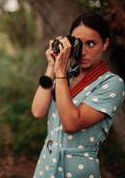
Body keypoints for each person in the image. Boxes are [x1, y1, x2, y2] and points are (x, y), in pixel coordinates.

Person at [31, 13, 125, 178]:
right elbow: (38, 111)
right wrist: (52, 66)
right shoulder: (65, 77)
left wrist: (59, 73)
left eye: (91, 44)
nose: (83, 52)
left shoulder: (112, 83)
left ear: (105, 44)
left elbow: (71, 124)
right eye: (78, 44)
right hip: (46, 163)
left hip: (77, 170)